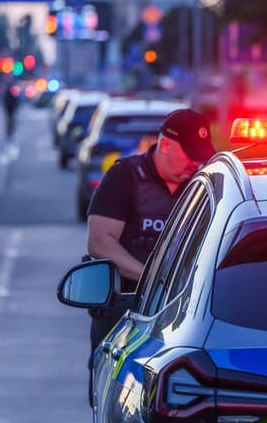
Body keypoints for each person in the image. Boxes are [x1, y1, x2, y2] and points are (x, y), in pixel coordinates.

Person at [84, 108, 215, 351]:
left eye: (201, 155)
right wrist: (154, 281)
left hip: (184, 315)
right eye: (190, 155)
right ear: (165, 145)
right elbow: (100, 242)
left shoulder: (203, 186)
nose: (196, 163)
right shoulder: (124, 177)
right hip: (126, 312)